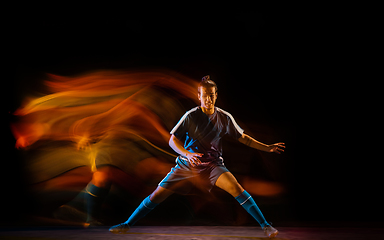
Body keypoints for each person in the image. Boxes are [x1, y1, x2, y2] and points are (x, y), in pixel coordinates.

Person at [109, 75, 285, 238]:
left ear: (216, 95)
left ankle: (266, 226)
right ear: (199, 96)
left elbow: (244, 138)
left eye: (212, 95)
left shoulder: (224, 117)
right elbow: (172, 141)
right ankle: (126, 224)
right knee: (156, 195)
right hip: (187, 165)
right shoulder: (191, 116)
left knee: (237, 189)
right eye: (205, 95)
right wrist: (187, 154)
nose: (208, 99)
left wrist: (267, 147)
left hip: (212, 166)